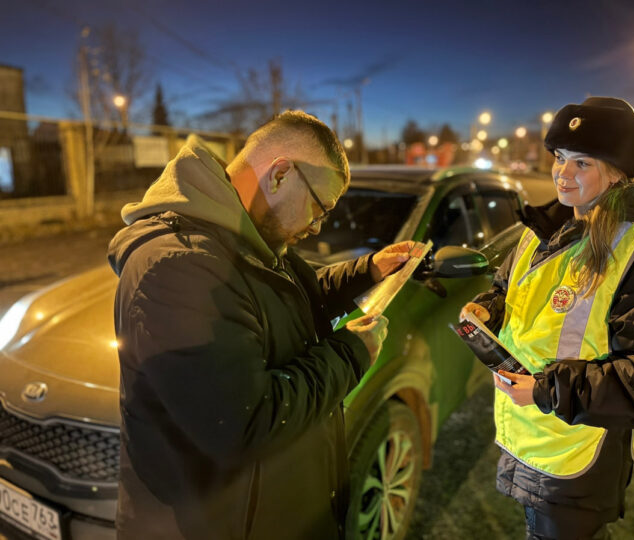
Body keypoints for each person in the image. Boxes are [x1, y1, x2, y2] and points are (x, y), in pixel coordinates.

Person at [107, 111, 417, 539]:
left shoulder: (245, 239)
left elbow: (282, 299)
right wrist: (351, 354)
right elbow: (244, 423)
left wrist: (366, 272)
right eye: (320, 206)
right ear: (280, 174)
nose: (318, 224)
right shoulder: (179, 266)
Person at [460, 97, 634, 539]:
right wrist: (487, 307)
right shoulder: (544, 231)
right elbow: (506, 288)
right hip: (534, 439)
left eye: (582, 162)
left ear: (617, 174)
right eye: (560, 158)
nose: (562, 173)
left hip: (579, 455)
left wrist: (548, 390)